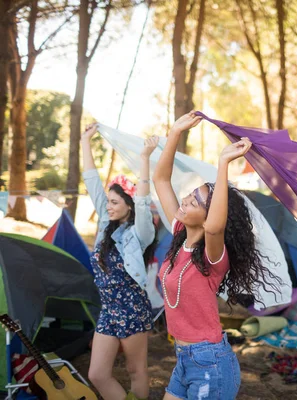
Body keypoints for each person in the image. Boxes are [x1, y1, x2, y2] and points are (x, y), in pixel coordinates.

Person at [153, 111, 279, 400]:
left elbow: (215, 226)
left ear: (208, 214)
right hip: (184, 358)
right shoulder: (179, 235)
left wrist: (223, 166)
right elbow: (160, 179)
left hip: (210, 363)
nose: (185, 199)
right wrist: (174, 133)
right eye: (190, 194)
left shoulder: (213, 256)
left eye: (196, 200)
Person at [81, 123, 158, 400]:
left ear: (128, 204)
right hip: (109, 310)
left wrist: (145, 159)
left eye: (115, 202)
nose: (108, 206)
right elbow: (91, 181)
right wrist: (85, 141)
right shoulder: (106, 225)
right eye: (108, 202)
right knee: (97, 374)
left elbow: (143, 199)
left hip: (132, 308)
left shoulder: (139, 235)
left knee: (137, 371)